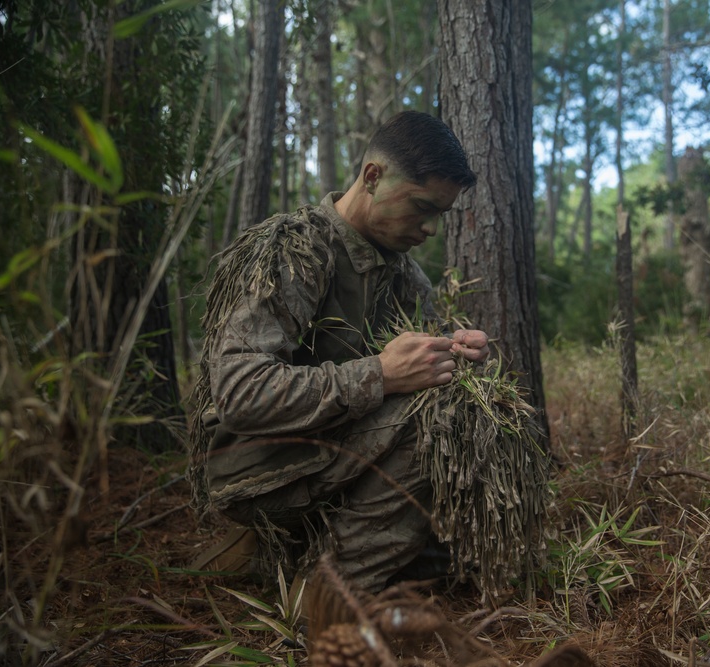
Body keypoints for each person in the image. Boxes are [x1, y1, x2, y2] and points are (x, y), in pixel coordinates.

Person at [188, 111, 490, 594]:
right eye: (421, 206)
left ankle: (309, 560)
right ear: (372, 177)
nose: (431, 228)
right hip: (256, 467)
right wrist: (381, 375)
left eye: (441, 214)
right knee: (437, 424)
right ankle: (323, 597)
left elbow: (427, 374)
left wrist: (458, 354)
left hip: (336, 452)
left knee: (459, 407)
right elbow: (239, 393)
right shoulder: (297, 251)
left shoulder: (405, 277)